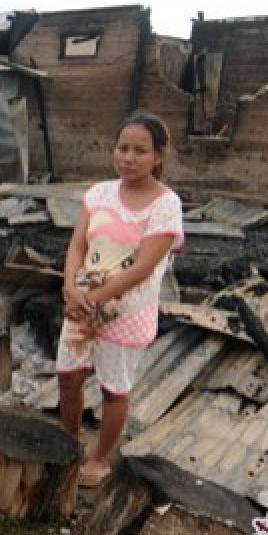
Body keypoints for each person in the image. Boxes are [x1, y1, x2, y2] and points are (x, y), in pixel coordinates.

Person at [57, 110, 183, 487]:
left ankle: (99, 459)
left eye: (140, 151)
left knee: (114, 389)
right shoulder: (98, 194)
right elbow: (78, 244)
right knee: (68, 378)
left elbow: (143, 268)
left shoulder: (166, 205)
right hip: (81, 305)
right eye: (122, 148)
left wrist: (94, 297)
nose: (128, 158)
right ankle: (68, 445)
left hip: (125, 313)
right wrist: (69, 286)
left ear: (158, 156)